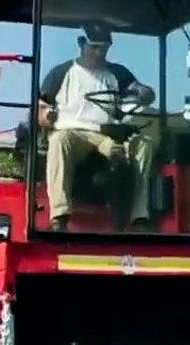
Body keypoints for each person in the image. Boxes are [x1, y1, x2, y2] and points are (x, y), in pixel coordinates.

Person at [37, 23, 157, 232]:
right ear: (81, 44)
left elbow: (141, 91)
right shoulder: (61, 73)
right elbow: (39, 109)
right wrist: (46, 116)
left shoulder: (117, 73)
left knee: (144, 145)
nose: (99, 53)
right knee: (58, 140)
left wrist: (145, 93)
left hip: (109, 133)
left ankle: (140, 217)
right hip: (74, 134)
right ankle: (59, 216)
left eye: (104, 48)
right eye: (94, 47)